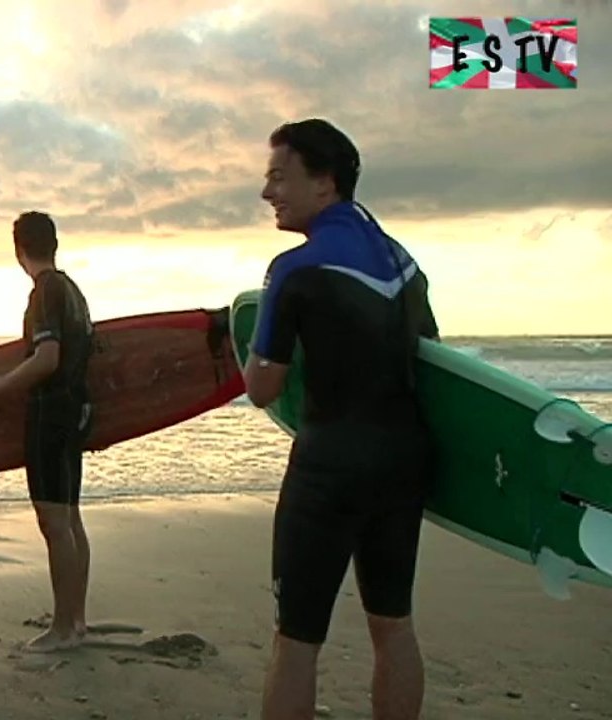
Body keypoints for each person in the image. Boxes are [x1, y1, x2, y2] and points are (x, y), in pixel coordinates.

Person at [242, 118, 440, 720]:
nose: (267, 191)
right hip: (403, 465)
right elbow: (431, 361)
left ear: (324, 184)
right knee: (394, 624)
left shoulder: (293, 269)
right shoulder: (405, 262)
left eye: (278, 176)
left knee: (297, 640)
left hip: (328, 470)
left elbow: (262, 387)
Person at [0, 211, 95, 653]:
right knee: (70, 518)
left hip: (50, 413)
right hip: (76, 412)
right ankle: (76, 619)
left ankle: (63, 629)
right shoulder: (73, 291)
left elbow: (47, 358)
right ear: (55, 244)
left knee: (54, 522)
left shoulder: (44, 293)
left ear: (18, 250)